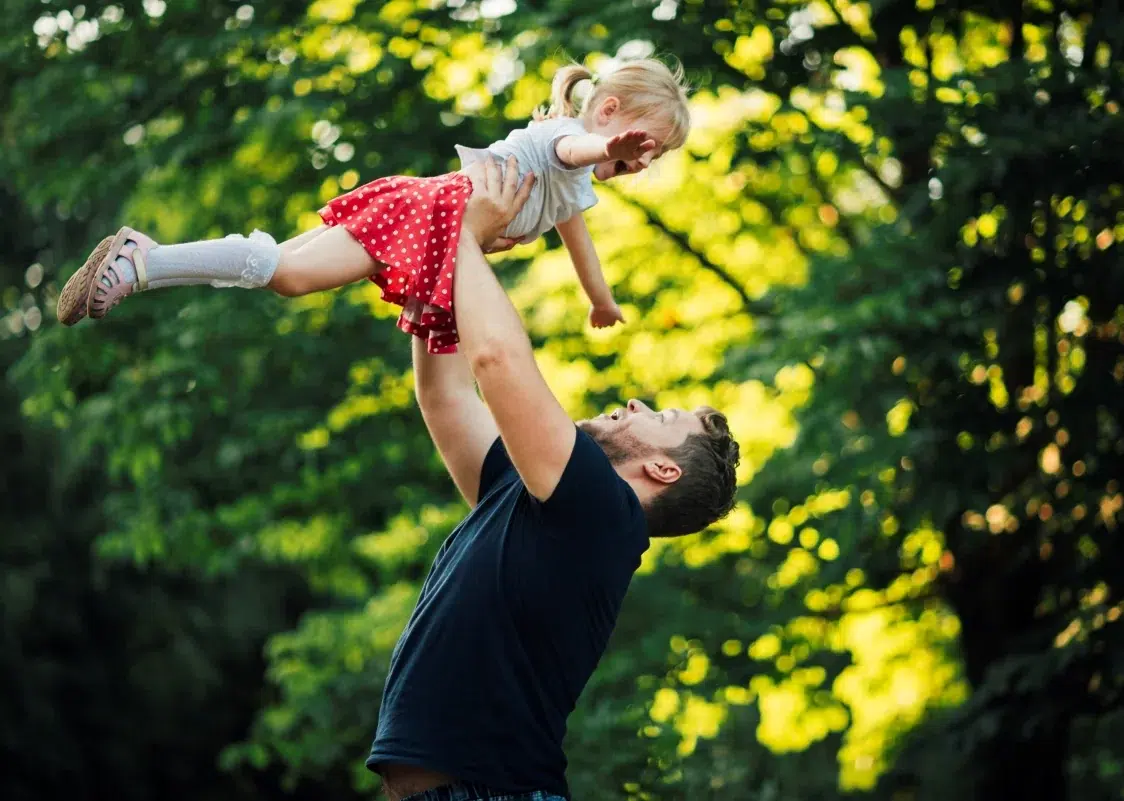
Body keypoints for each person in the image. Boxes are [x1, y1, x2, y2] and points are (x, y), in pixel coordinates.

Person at [365, 157, 740, 801]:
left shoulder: (603, 514)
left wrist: (462, 235)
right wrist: (440, 256)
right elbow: (446, 396)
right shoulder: (538, 496)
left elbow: (495, 358)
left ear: (663, 468)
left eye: (661, 417)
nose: (636, 405)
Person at [56, 58, 691, 351]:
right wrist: (608, 143)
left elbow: (579, 243)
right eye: (644, 145)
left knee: (282, 266)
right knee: (294, 277)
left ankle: (151, 259)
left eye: (651, 158)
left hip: (435, 220)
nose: (639, 163)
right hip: (429, 214)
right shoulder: (563, 139)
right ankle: (141, 261)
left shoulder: (573, 191)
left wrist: (600, 300)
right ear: (608, 112)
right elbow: (579, 149)